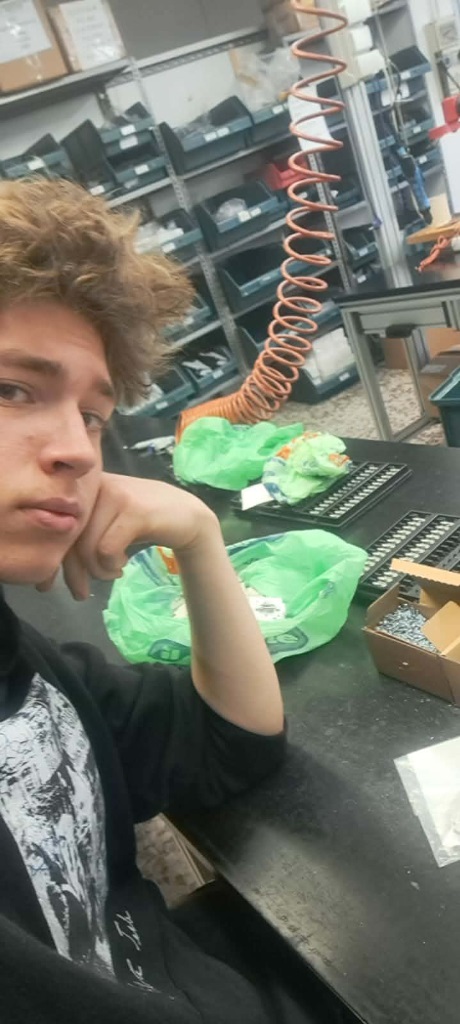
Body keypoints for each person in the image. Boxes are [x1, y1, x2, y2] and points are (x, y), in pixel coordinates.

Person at [0, 179, 350, 1024]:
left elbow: (231, 742)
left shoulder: (22, 663)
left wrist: (197, 535)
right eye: (13, 390)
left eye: (93, 415)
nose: (79, 450)